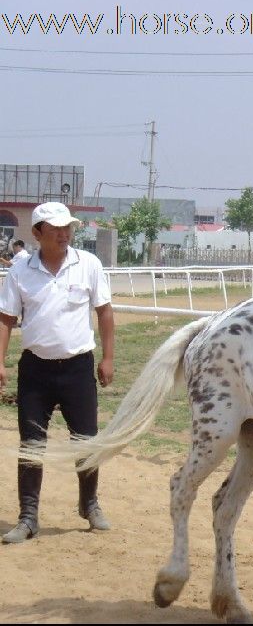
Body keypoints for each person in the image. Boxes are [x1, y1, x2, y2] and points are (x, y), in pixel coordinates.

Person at [0, 202, 115, 543]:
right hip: (35, 371)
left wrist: (108, 358)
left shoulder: (88, 264)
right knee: (32, 444)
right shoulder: (20, 271)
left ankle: (90, 504)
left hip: (78, 368)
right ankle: (28, 516)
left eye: (68, 228)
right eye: (55, 229)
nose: (64, 234)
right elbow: (6, 319)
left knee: (87, 441)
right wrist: (0, 363)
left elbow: (105, 312)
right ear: (37, 234)